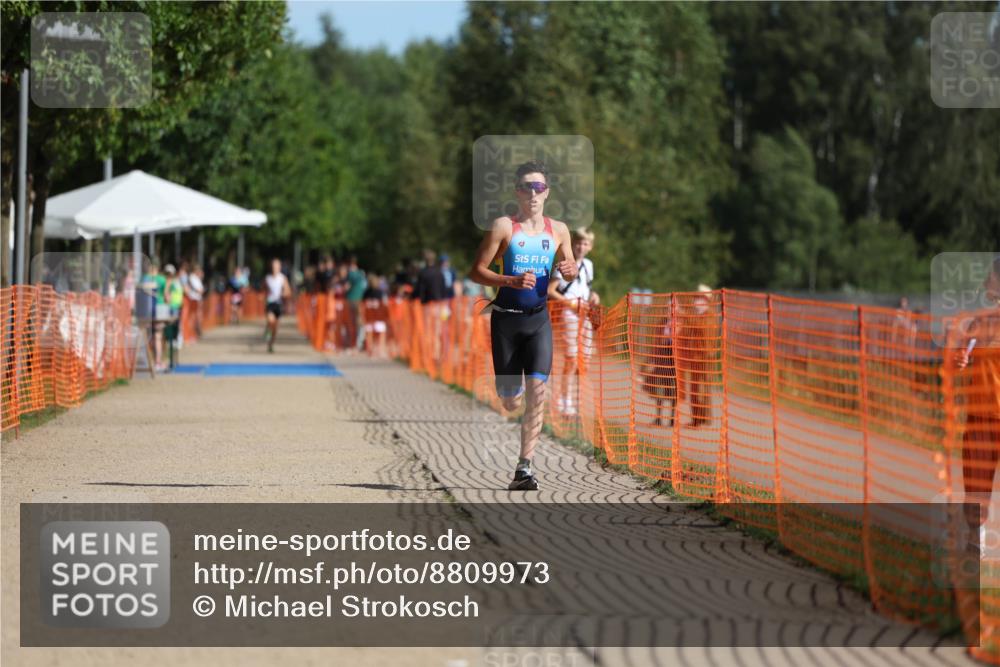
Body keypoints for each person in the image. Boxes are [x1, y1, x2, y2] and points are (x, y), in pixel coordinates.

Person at [469, 160, 577, 491]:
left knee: (538, 392)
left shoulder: (558, 230)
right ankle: (508, 392)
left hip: (538, 321)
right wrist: (509, 280)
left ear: (547, 193)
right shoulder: (503, 227)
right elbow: (476, 271)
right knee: (511, 401)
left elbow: (567, 267)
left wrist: (569, 271)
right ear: (517, 191)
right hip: (505, 321)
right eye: (527, 187)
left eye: (539, 187)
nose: (533, 193)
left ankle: (524, 468)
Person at [953, 257, 1000, 557]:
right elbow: (959, 357)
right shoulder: (979, 322)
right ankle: (976, 542)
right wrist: (958, 360)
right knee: (976, 484)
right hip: (981, 415)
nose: (986, 283)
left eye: (991, 278)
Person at [548, 226, 600, 416]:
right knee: (571, 359)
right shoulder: (561, 263)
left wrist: (593, 296)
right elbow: (550, 291)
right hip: (568, 314)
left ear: (590, 247)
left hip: (584, 313)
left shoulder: (588, 265)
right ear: (572, 244)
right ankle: (564, 400)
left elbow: (585, 287)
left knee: (583, 360)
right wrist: (570, 304)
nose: (580, 247)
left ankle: (572, 397)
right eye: (578, 243)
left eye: (585, 243)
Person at [264, 258, 292, 354]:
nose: (275, 267)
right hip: (270, 303)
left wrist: (283, 294)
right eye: (273, 265)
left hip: (279, 304)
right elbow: (263, 289)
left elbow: (288, 292)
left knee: (275, 329)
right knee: (270, 320)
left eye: (277, 265)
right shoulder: (267, 278)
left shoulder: (282, 278)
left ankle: (271, 345)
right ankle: (268, 329)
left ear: (279, 267)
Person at [346, 255, 368, 351]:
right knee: (359, 321)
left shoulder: (351, 274)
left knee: (355, 321)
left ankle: (356, 343)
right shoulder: (362, 274)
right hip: (360, 299)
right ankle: (359, 341)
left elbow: (347, 285)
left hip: (353, 299)